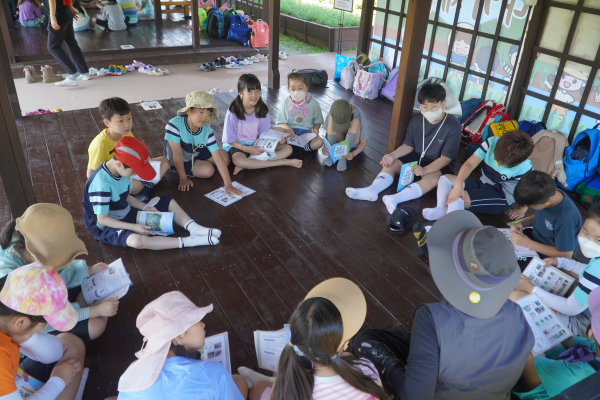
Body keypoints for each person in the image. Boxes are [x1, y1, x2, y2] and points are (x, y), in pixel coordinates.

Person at [353, 210, 535, 400]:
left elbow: (415, 396)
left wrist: (389, 365)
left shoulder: (431, 317)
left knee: (365, 341)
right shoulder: (517, 314)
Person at [241, 278, 388, 400]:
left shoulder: (295, 392)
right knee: (349, 358)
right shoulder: (366, 369)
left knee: (258, 387)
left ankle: (275, 380)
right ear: (345, 344)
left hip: (289, 386)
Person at [0, 204, 117, 342]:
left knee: (90, 306)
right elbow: (44, 323)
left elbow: (57, 270)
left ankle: (79, 305)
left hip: (40, 317)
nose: (62, 263)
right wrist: (96, 311)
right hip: (32, 332)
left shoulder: (23, 250)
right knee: (97, 325)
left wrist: (86, 270)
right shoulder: (16, 290)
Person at [83, 136, 221, 249]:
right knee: (137, 241)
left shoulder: (120, 172)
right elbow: (103, 219)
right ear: (119, 164)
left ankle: (194, 228)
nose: (134, 174)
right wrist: (134, 227)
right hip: (105, 226)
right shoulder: (100, 184)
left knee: (167, 200)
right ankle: (189, 241)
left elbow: (125, 197)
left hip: (124, 211)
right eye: (133, 171)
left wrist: (144, 207)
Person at [346, 83, 462, 214]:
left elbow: (445, 158)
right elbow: (408, 146)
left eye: (434, 106)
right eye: (425, 107)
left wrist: (425, 170)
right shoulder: (416, 119)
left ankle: (395, 199)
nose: (429, 111)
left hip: (438, 163)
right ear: (420, 106)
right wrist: (393, 155)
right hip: (417, 156)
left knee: (434, 178)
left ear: (443, 104)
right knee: (391, 163)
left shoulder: (453, 125)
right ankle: (372, 190)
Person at [113, 291, 247, 399]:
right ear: (179, 335)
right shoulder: (214, 371)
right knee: (244, 383)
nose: (203, 324)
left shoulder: (132, 375)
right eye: (197, 320)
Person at [510, 204, 600, 337]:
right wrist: (561, 261)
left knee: (515, 296)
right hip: (590, 311)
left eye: (598, 239)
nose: (588, 241)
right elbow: (585, 269)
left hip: (586, 329)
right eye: (585, 232)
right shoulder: (595, 265)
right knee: (561, 269)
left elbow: (570, 309)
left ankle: (566, 341)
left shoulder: (595, 272)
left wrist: (530, 288)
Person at [0, 263, 86, 400]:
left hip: (12, 381)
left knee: (71, 342)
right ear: (21, 322)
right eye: (46, 321)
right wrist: (58, 381)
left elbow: (54, 354)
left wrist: (27, 338)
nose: (46, 325)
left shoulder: (7, 323)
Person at [423, 130, 534, 220]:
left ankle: (448, 223)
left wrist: (522, 210)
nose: (499, 163)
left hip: (502, 196)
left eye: (504, 163)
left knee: (460, 198)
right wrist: (458, 185)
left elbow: (529, 190)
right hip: (483, 183)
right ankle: (441, 208)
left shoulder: (525, 167)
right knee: (445, 178)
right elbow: (470, 164)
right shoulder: (492, 142)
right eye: (497, 158)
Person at [513, 286, 600, 399]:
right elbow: (567, 339)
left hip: (549, 389)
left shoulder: (576, 376)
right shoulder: (596, 345)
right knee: (518, 297)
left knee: (527, 345)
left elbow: (531, 361)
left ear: (591, 333)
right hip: (567, 368)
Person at [87, 97, 169, 201]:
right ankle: (143, 188)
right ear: (107, 123)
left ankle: (144, 187)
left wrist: (147, 162)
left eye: (129, 118)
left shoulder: (125, 132)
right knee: (137, 184)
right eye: (120, 120)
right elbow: (91, 175)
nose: (127, 124)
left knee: (164, 161)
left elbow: (136, 151)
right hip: (116, 178)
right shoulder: (100, 144)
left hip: (132, 170)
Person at [223, 74, 302, 175]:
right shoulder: (233, 112)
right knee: (238, 160)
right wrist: (246, 149)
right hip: (239, 146)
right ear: (240, 93)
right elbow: (230, 140)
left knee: (287, 149)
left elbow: (264, 134)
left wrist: (278, 141)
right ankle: (281, 162)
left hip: (257, 144)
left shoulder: (262, 110)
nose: (254, 95)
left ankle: (250, 164)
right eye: (250, 91)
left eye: (257, 90)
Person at [164, 91, 241, 195]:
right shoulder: (174, 125)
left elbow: (218, 159)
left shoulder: (207, 130)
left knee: (225, 159)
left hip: (197, 151)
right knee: (208, 171)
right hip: (182, 158)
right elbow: (177, 155)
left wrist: (228, 184)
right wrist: (183, 178)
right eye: (200, 111)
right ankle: (197, 164)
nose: (204, 117)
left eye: (208, 114)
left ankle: (201, 160)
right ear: (188, 111)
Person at [510, 171, 582, 260]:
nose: (531, 208)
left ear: (550, 200)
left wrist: (527, 243)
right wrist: (522, 223)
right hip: (535, 238)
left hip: (550, 254)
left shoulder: (565, 219)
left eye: (532, 206)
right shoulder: (548, 193)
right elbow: (542, 216)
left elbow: (566, 255)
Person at [42, 0, 90, 86]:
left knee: (53, 47)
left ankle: (72, 74)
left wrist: (52, 17)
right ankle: (83, 72)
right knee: (71, 43)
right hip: (66, 13)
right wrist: (70, 8)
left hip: (58, 16)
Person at [276, 72, 324, 152]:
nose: (296, 92)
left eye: (300, 88)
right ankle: (293, 145)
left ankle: (302, 146)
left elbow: (317, 120)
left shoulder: (313, 103)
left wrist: (316, 128)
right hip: (290, 132)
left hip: (307, 132)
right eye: (293, 89)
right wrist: (288, 128)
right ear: (288, 89)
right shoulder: (285, 102)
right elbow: (281, 122)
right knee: (274, 130)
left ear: (306, 88)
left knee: (319, 141)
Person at [322, 99, 369, 172]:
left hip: (352, 144)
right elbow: (328, 132)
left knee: (355, 121)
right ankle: (332, 155)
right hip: (337, 142)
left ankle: (343, 157)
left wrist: (353, 154)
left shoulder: (359, 114)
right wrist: (325, 145)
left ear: (352, 111)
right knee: (331, 118)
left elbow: (363, 142)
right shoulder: (334, 111)